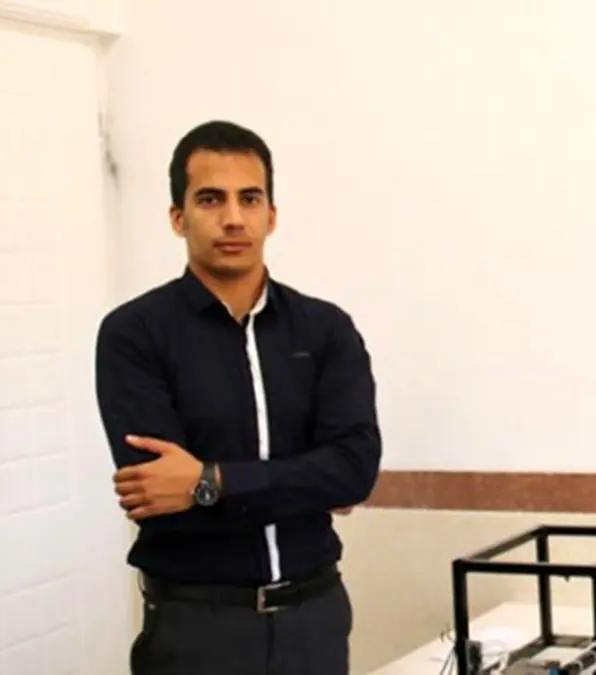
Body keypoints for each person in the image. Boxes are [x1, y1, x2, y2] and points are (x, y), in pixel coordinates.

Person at [94, 119, 382, 675]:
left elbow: (353, 472)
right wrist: (306, 482)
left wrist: (207, 482)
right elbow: (156, 489)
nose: (233, 218)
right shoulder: (135, 334)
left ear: (271, 215)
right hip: (196, 626)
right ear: (178, 217)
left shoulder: (325, 330)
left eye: (249, 199)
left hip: (314, 618)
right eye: (210, 199)